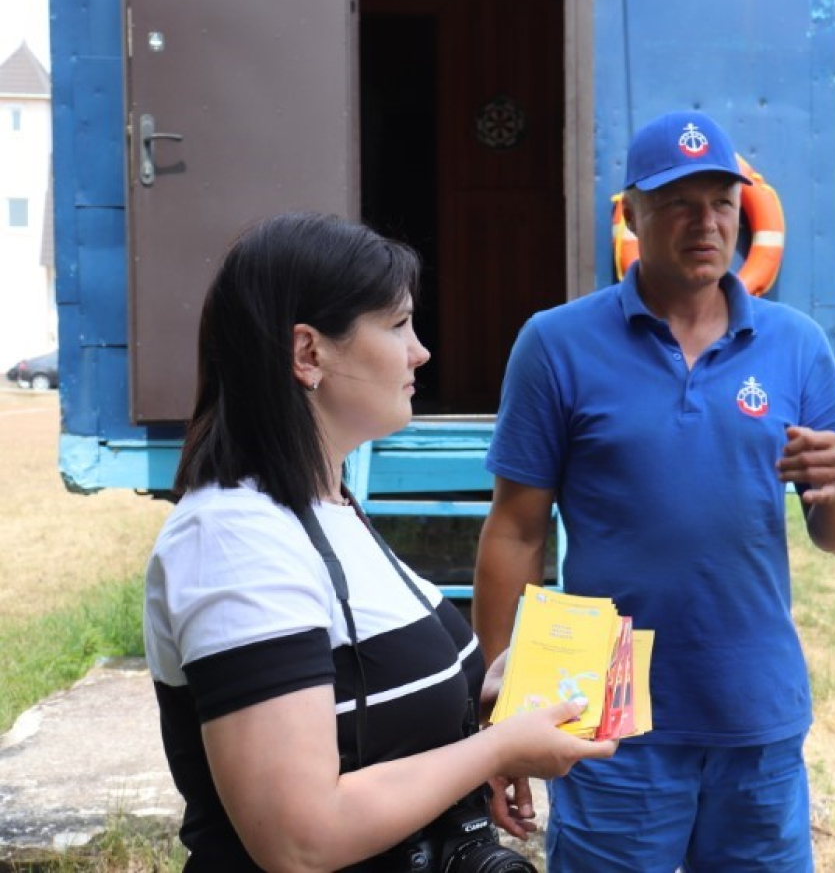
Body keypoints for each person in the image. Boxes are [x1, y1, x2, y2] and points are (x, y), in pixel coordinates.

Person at [143, 211, 616, 870]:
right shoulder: (231, 538)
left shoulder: (332, 506)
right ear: (308, 353)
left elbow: (363, 709)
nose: (421, 351)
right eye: (397, 326)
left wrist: (482, 692)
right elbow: (299, 837)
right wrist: (499, 749)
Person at [473, 110, 835, 871]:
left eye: (722, 202)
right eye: (680, 202)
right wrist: (503, 713)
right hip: (605, 720)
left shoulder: (796, 346)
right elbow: (516, 532)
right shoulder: (557, 343)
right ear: (631, 213)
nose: (707, 222)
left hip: (754, 711)